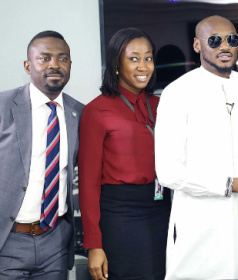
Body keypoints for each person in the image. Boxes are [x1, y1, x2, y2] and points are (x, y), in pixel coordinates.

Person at [155, 15, 238, 280]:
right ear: (198, 46)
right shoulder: (177, 93)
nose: (225, 46)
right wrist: (232, 184)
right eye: (214, 40)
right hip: (199, 231)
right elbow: (168, 172)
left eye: (232, 40)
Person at [78, 28, 171, 280]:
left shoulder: (160, 105)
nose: (143, 66)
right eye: (134, 58)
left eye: (148, 58)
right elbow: (87, 184)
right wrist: (94, 245)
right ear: (116, 64)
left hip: (162, 209)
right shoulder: (96, 110)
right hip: (121, 214)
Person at [0, 30, 84, 279]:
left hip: (55, 241)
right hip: (8, 239)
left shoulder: (79, 113)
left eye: (63, 58)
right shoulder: (4, 105)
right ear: (28, 65)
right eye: (44, 58)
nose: (54, 65)